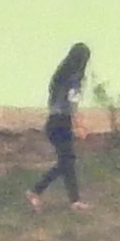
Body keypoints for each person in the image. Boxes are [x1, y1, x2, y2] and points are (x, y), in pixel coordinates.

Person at [27, 42, 93, 210]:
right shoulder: (74, 79)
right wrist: (79, 126)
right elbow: (72, 104)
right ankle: (36, 191)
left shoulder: (59, 76)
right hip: (63, 122)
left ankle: (74, 201)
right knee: (67, 161)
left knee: (67, 161)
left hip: (53, 122)